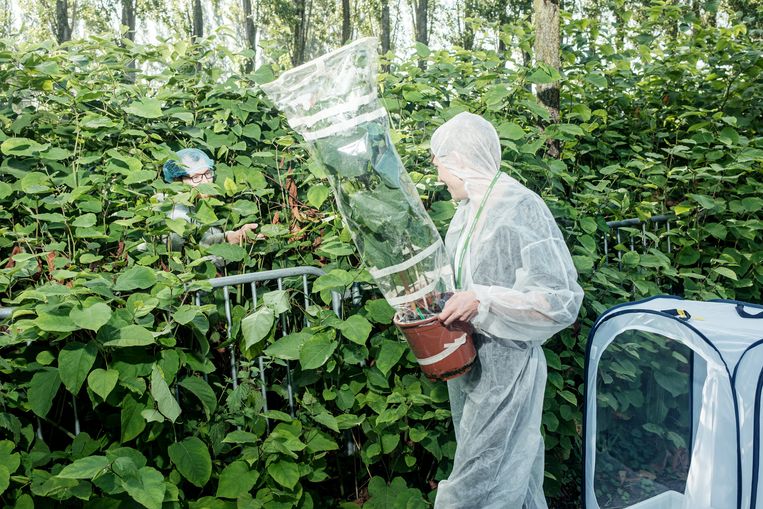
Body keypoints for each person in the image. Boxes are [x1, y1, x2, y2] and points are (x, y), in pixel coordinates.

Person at [429, 112, 584, 509]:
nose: (436, 171)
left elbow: (560, 299)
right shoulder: (464, 216)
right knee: (511, 478)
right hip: (472, 370)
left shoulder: (519, 206)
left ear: (461, 160)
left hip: (508, 373)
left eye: (439, 160)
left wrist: (484, 300)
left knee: (476, 485)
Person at [153, 148, 261, 259]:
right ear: (177, 180)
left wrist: (236, 236)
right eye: (196, 177)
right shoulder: (175, 210)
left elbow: (205, 240)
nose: (206, 181)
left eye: (208, 173)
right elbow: (183, 253)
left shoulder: (198, 204)